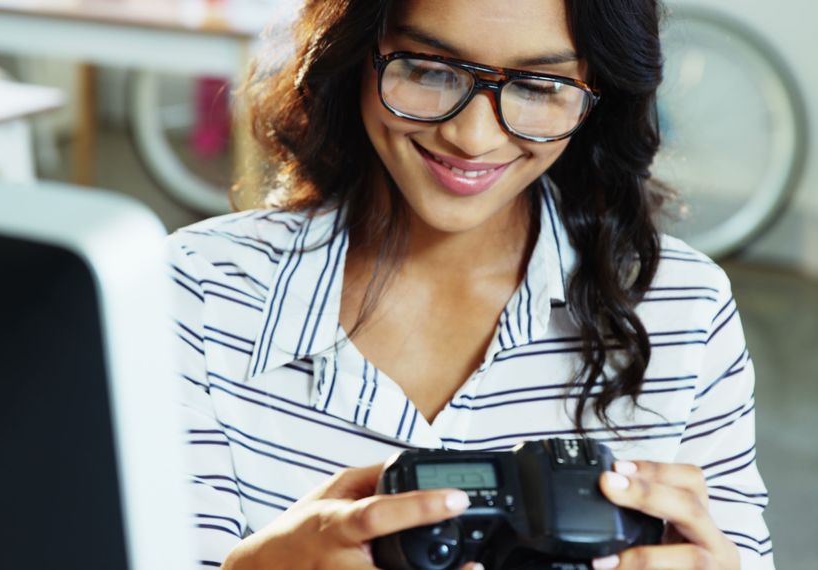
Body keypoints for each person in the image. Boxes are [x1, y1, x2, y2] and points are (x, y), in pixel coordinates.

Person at [166, 0, 773, 568]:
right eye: (429, 70)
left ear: (600, 95)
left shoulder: (684, 309)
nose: (472, 137)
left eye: (540, 86)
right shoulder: (194, 291)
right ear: (356, 52)